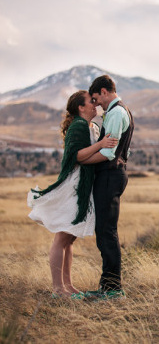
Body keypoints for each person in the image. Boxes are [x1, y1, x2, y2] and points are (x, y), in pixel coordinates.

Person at [28, 90, 118, 298]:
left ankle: (67, 286)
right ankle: (58, 289)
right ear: (80, 107)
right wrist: (101, 145)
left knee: (69, 239)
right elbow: (75, 156)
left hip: (82, 187)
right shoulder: (78, 125)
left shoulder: (90, 126)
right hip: (73, 187)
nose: (95, 104)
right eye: (90, 101)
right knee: (61, 238)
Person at [83, 75, 134, 300]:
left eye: (96, 99)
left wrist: (81, 160)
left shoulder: (115, 113)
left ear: (104, 92)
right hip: (114, 174)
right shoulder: (121, 111)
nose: (96, 104)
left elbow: (107, 153)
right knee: (105, 232)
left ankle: (113, 289)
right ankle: (107, 286)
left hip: (109, 176)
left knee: (106, 233)